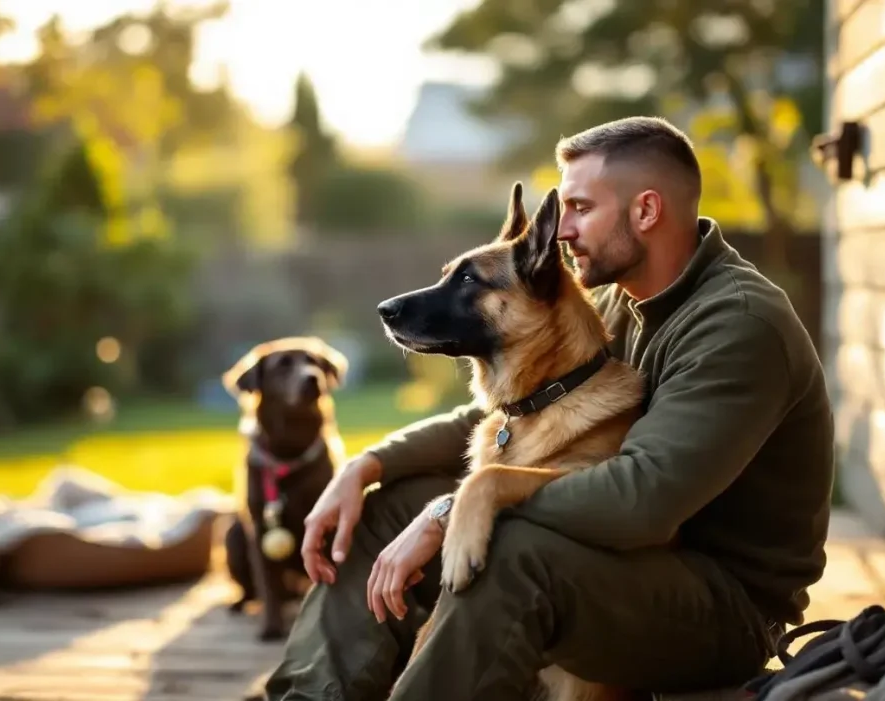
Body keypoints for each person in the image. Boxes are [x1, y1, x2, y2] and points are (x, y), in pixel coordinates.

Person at [260, 116, 835, 701]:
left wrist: (455, 509)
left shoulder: (737, 323)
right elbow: (513, 416)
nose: (561, 233)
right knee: (379, 513)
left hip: (722, 606)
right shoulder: (615, 298)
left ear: (646, 211)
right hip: (625, 563)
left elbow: (643, 501)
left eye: (580, 208)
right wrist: (366, 467)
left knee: (511, 550)